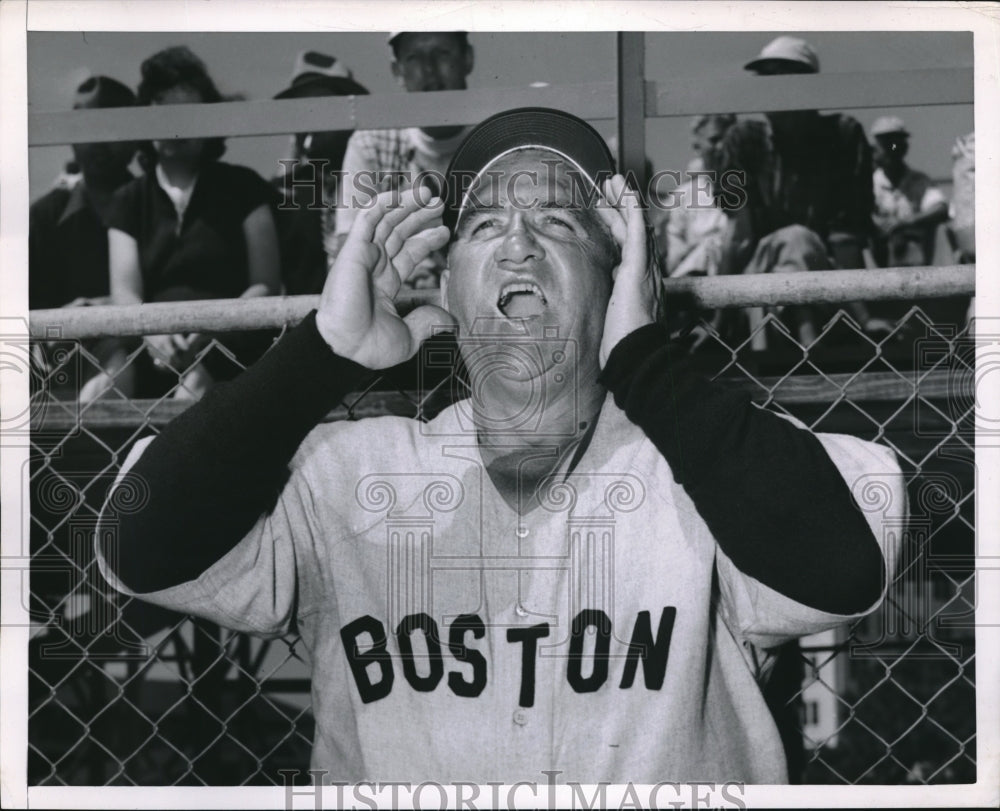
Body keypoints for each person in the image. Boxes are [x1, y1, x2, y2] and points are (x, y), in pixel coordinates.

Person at [97, 108, 903, 784]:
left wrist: (645, 360)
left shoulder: (705, 461)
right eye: (484, 225)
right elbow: (139, 542)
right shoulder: (350, 469)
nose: (518, 243)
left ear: (619, 277)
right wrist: (321, 355)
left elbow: (844, 564)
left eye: (557, 221)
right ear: (448, 287)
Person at [83, 46, 281, 403]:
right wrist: (153, 331)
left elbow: (264, 284)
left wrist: (208, 331)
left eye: (189, 114)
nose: (176, 126)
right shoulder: (128, 200)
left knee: (197, 385)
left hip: (228, 337)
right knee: (107, 381)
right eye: (164, 113)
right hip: (146, 338)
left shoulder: (245, 188)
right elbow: (125, 293)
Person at [707, 37, 877, 343]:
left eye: (782, 77)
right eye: (765, 79)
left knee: (799, 242)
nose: (772, 89)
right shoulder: (744, 140)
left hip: (828, 276)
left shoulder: (842, 136)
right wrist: (718, 320)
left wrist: (864, 316)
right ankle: (808, 343)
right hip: (759, 274)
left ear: (808, 86)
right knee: (795, 240)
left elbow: (846, 235)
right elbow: (740, 236)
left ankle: (806, 341)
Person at [330, 31, 475, 288]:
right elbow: (350, 251)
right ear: (397, 70)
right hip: (401, 300)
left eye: (442, 53)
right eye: (414, 58)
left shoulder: (495, 136)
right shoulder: (371, 144)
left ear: (467, 58)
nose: (429, 70)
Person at [29, 75, 138, 395]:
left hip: (142, 366)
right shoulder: (46, 216)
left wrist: (101, 307)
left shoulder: (155, 207)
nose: (97, 141)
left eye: (111, 126)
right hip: (55, 370)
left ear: (136, 137)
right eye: (85, 126)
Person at [272, 50, 369, 295]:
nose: (310, 121)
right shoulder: (290, 191)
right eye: (301, 111)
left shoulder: (372, 174)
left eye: (321, 108)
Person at [870, 116, 949, 269]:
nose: (891, 150)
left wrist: (905, 223)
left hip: (917, 259)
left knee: (942, 231)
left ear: (904, 148)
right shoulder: (870, 183)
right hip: (880, 262)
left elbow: (940, 208)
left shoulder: (920, 181)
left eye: (895, 144)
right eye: (885, 144)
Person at [664, 114, 735, 278]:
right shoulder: (684, 195)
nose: (722, 146)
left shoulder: (750, 190)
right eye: (714, 140)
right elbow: (674, 259)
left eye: (729, 139)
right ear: (697, 147)